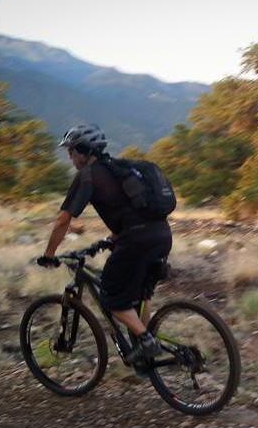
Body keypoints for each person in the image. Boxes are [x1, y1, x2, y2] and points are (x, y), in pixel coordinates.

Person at [36, 124, 172, 370]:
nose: (70, 156)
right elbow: (129, 210)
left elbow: (63, 220)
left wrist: (49, 254)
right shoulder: (121, 169)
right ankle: (146, 356)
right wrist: (112, 237)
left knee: (112, 298)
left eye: (72, 151)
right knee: (140, 296)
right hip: (161, 235)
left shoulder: (88, 175)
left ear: (84, 150)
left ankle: (145, 340)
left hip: (136, 241)